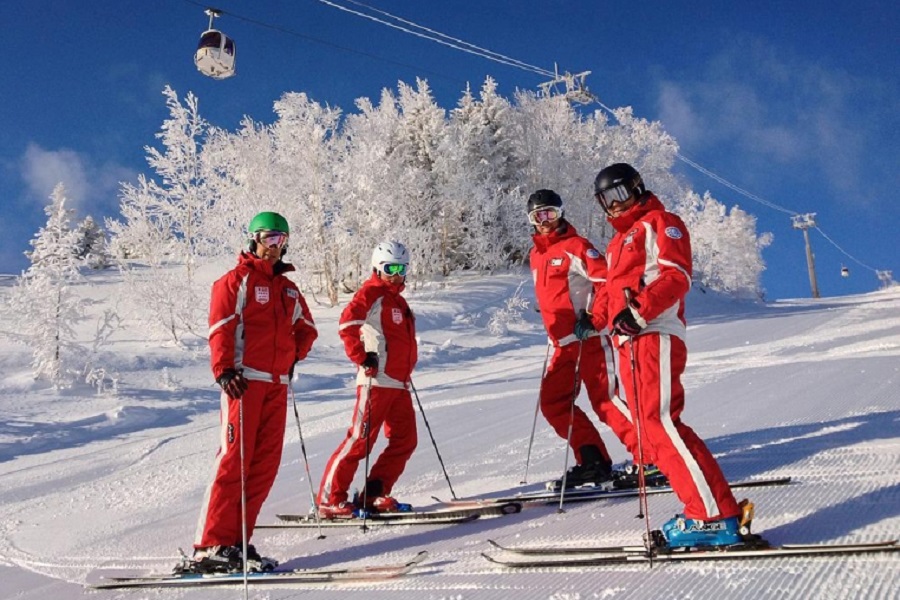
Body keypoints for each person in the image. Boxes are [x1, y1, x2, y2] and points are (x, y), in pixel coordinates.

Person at [592, 163, 748, 548]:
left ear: (638, 188)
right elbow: (611, 297)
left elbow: (676, 275)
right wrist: (591, 319)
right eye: (606, 200)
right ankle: (710, 510)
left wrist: (639, 312)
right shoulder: (616, 245)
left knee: (658, 422)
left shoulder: (661, 222)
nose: (615, 205)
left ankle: (711, 516)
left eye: (621, 194)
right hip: (627, 341)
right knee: (653, 427)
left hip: (652, 332)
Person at [188, 211, 318, 573]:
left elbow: (306, 328)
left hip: (276, 385)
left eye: (281, 240)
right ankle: (209, 544)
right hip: (244, 383)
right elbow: (221, 327)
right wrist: (224, 370)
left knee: (264, 465)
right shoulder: (235, 281)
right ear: (253, 238)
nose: (274, 247)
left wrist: (292, 358)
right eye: (268, 238)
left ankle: (236, 542)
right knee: (234, 461)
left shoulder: (288, 288)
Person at [527, 189, 637, 489]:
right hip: (561, 345)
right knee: (553, 404)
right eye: (539, 215)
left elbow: (608, 281)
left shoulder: (576, 246)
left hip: (588, 337)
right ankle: (592, 461)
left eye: (550, 212)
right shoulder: (536, 255)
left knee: (605, 401)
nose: (545, 220)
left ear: (561, 213)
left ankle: (650, 457)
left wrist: (594, 318)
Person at [316, 241, 418, 518]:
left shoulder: (398, 299)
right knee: (360, 441)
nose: (397, 274)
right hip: (376, 381)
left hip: (398, 382)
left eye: (402, 268)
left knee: (405, 440)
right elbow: (347, 323)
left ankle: (373, 494)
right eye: (391, 268)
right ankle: (329, 499)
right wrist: (362, 357)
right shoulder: (372, 293)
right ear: (378, 268)